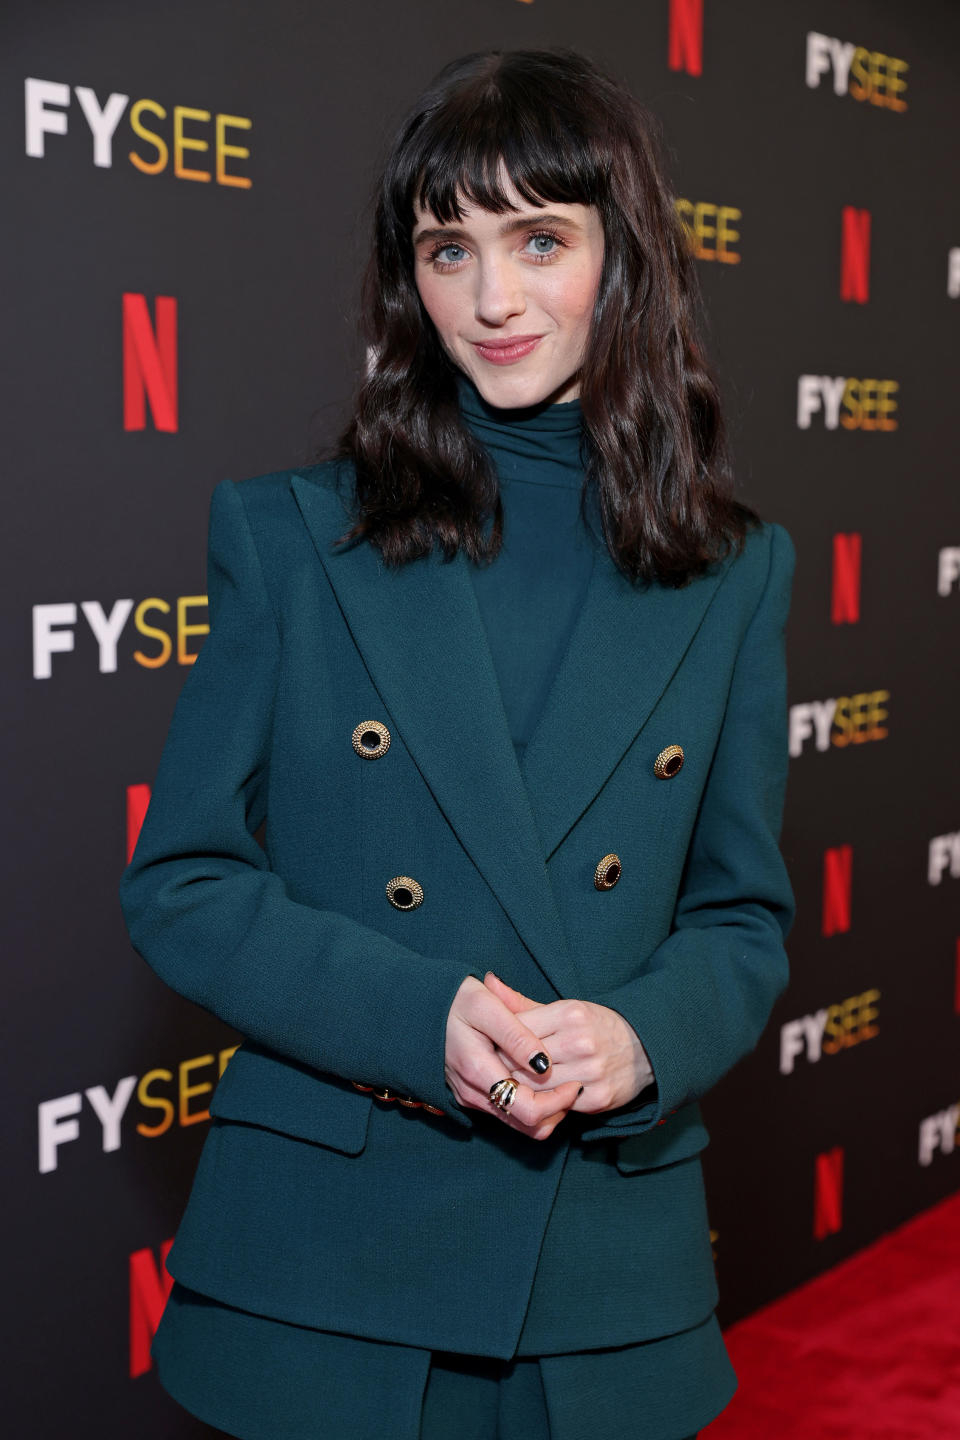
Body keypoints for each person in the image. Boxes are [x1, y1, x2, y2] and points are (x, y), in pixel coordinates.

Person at [119, 45, 796, 1440]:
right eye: (446, 248)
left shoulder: (736, 573)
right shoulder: (293, 535)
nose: (489, 300)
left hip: (603, 1276)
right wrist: (411, 1021)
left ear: (627, 259)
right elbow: (181, 880)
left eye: (539, 240)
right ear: (403, 278)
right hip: (326, 1265)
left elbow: (740, 917)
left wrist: (640, 1039)